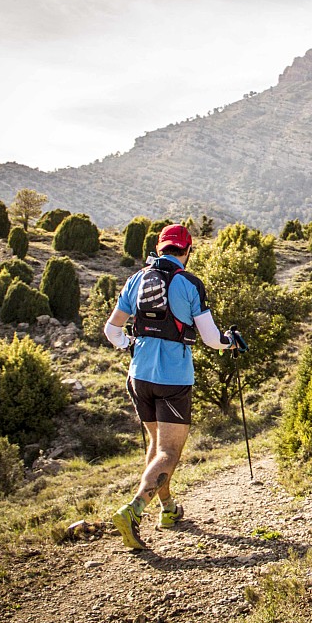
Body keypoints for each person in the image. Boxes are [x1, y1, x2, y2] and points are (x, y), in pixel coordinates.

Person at [104, 223, 243, 550]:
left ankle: (167, 509)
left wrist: (129, 345)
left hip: (139, 376)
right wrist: (231, 342)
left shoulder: (136, 279)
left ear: (159, 248)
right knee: (169, 452)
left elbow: (112, 330)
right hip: (174, 379)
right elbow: (211, 339)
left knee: (157, 446)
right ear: (188, 250)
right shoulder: (189, 283)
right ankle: (133, 509)